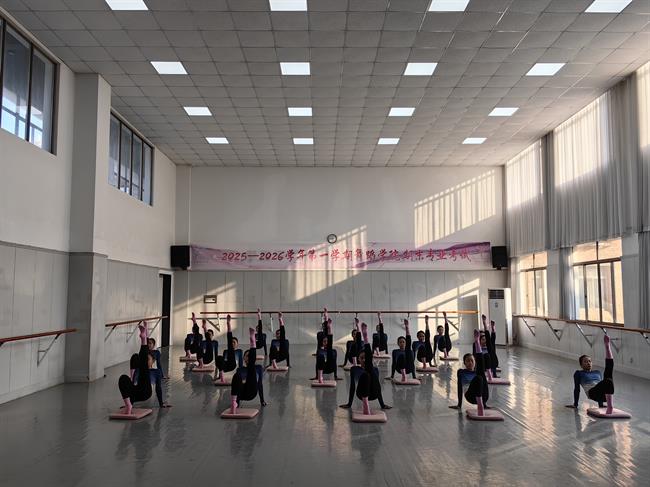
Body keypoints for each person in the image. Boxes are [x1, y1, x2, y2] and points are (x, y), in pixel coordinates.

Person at [340, 323, 392, 412]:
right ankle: (366, 405)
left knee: (370, 371)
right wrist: (349, 404)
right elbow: (352, 387)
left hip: (374, 393)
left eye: (366, 358)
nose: (364, 360)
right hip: (361, 394)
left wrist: (382, 405)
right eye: (362, 358)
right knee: (365, 375)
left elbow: (377, 386)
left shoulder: (374, 369)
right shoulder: (354, 369)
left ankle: (365, 337)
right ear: (358, 359)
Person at [566, 335, 616, 412]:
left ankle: (607, 346)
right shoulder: (579, 373)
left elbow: (601, 387)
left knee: (609, 374)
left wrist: (601, 405)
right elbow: (577, 389)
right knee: (608, 380)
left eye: (590, 361)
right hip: (592, 393)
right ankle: (610, 407)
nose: (588, 363)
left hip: (604, 395)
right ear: (581, 365)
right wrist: (575, 404)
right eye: (585, 362)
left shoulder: (597, 372)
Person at [450, 330, 489, 413]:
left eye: (472, 361)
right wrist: (459, 404)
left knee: (481, 375)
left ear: (475, 362)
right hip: (470, 396)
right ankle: (480, 406)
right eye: (468, 361)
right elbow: (459, 387)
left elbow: (479, 362)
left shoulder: (478, 371)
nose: (470, 363)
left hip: (483, 397)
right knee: (479, 378)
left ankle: (477, 342)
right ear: (464, 363)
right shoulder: (461, 372)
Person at [229, 327, 267, 414]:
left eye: (250, 356)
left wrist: (262, 401)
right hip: (242, 393)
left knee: (251, 368)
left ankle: (252, 341)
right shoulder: (240, 370)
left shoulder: (258, 368)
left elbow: (259, 384)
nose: (248, 357)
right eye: (247, 356)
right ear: (244, 358)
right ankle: (234, 403)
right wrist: (237, 403)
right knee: (236, 376)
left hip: (252, 392)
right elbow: (236, 386)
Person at [118, 323, 153, 415]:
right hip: (135, 391)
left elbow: (144, 357)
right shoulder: (136, 369)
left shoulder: (153, 371)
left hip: (145, 392)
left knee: (144, 368)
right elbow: (141, 358)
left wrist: (161, 404)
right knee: (123, 378)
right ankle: (128, 405)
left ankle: (143, 338)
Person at [213, 315, 243, 384]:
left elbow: (240, 364)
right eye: (232, 342)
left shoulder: (239, 351)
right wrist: (218, 375)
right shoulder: (226, 351)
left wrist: (241, 376)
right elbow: (221, 363)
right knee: (219, 358)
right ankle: (221, 377)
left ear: (237, 344)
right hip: (226, 366)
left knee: (230, 347)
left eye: (234, 342)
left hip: (233, 365)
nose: (232, 343)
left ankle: (228, 323)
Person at [312, 317, 340, 382]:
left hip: (330, 369)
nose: (326, 343)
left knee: (331, 351)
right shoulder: (320, 351)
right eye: (324, 342)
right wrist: (316, 376)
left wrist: (335, 376)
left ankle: (329, 328)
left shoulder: (333, 351)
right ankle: (319, 377)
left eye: (327, 341)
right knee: (320, 354)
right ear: (322, 343)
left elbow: (335, 364)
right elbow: (317, 364)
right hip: (323, 369)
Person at [147, 337, 171, 408]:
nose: (148, 345)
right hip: (146, 371)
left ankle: (161, 403)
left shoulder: (156, 352)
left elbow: (159, 364)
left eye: (150, 343)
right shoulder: (144, 351)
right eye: (148, 343)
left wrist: (162, 375)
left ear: (153, 345)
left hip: (152, 371)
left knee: (158, 384)